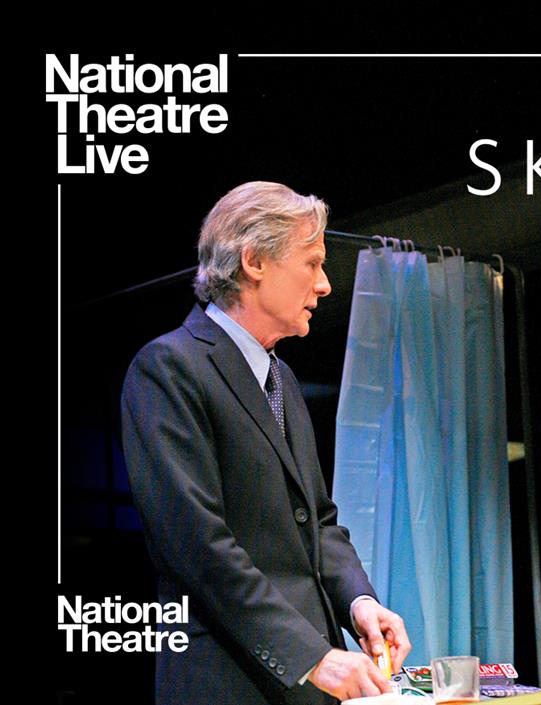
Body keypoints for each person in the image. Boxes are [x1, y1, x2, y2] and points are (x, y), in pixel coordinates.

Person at [121, 181, 411, 705]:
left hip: (309, 688)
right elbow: (198, 547)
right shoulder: (168, 368)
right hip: (226, 686)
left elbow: (317, 520)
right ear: (254, 261)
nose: (324, 285)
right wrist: (312, 656)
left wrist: (360, 603)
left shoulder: (282, 380)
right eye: (312, 263)